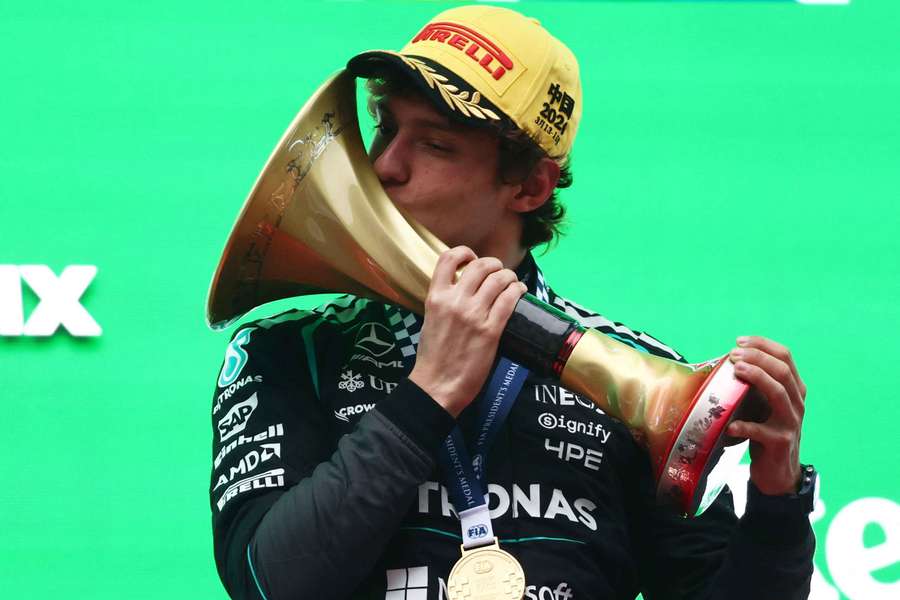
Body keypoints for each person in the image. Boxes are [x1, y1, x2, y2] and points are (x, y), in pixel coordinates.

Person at [209, 5, 815, 599]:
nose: (385, 165)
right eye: (387, 128)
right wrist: (429, 394)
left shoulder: (646, 386)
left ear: (529, 185)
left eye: (435, 144)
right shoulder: (289, 348)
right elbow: (270, 582)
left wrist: (775, 498)